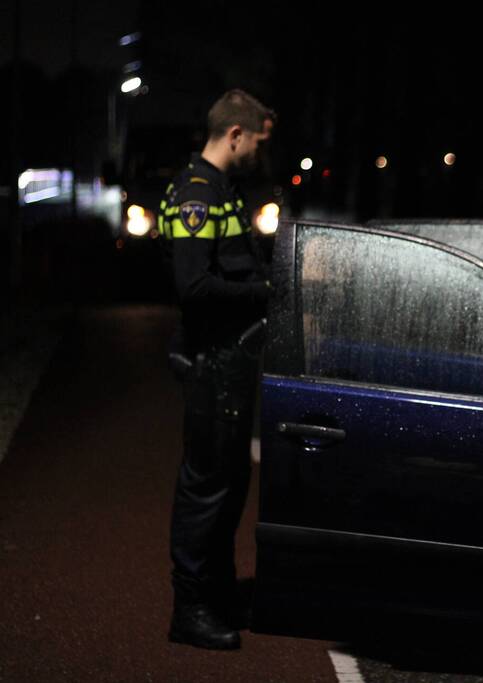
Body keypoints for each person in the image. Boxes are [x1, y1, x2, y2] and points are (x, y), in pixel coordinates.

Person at [159, 89, 275, 650]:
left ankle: (220, 593)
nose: (259, 150)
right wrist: (266, 293)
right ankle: (191, 609)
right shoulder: (197, 194)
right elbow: (195, 286)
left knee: (230, 486)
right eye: (257, 140)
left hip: (231, 361)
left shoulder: (223, 190)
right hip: (211, 362)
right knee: (205, 488)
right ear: (235, 135)